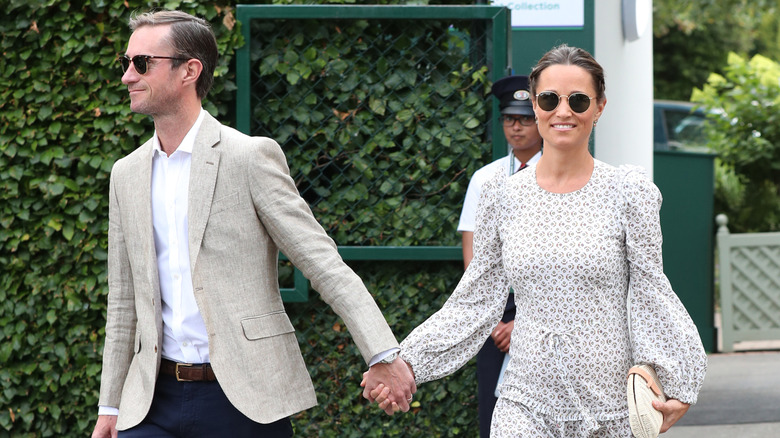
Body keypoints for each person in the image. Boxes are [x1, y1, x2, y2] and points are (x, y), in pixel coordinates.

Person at [91, 10, 415, 438]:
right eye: (126, 63)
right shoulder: (126, 174)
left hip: (244, 401)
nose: (127, 77)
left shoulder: (248, 158)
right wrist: (110, 405)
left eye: (142, 63)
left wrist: (383, 353)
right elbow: (123, 301)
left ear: (190, 70)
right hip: (150, 403)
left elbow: (322, 263)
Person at [365, 44, 707, 437]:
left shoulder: (629, 192)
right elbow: (477, 299)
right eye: (550, 99)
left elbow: (649, 290)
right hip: (525, 403)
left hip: (609, 410)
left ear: (599, 107)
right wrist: (405, 363)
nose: (563, 111)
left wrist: (677, 379)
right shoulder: (502, 195)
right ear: (537, 107)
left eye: (578, 100)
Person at [456, 75, 542, 438]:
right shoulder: (486, 178)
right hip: (495, 313)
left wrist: (525, 322)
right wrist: (492, 319)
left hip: (546, 311)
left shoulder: (556, 176)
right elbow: (472, 249)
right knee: (494, 413)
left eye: (525, 118)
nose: (516, 127)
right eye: (510, 119)